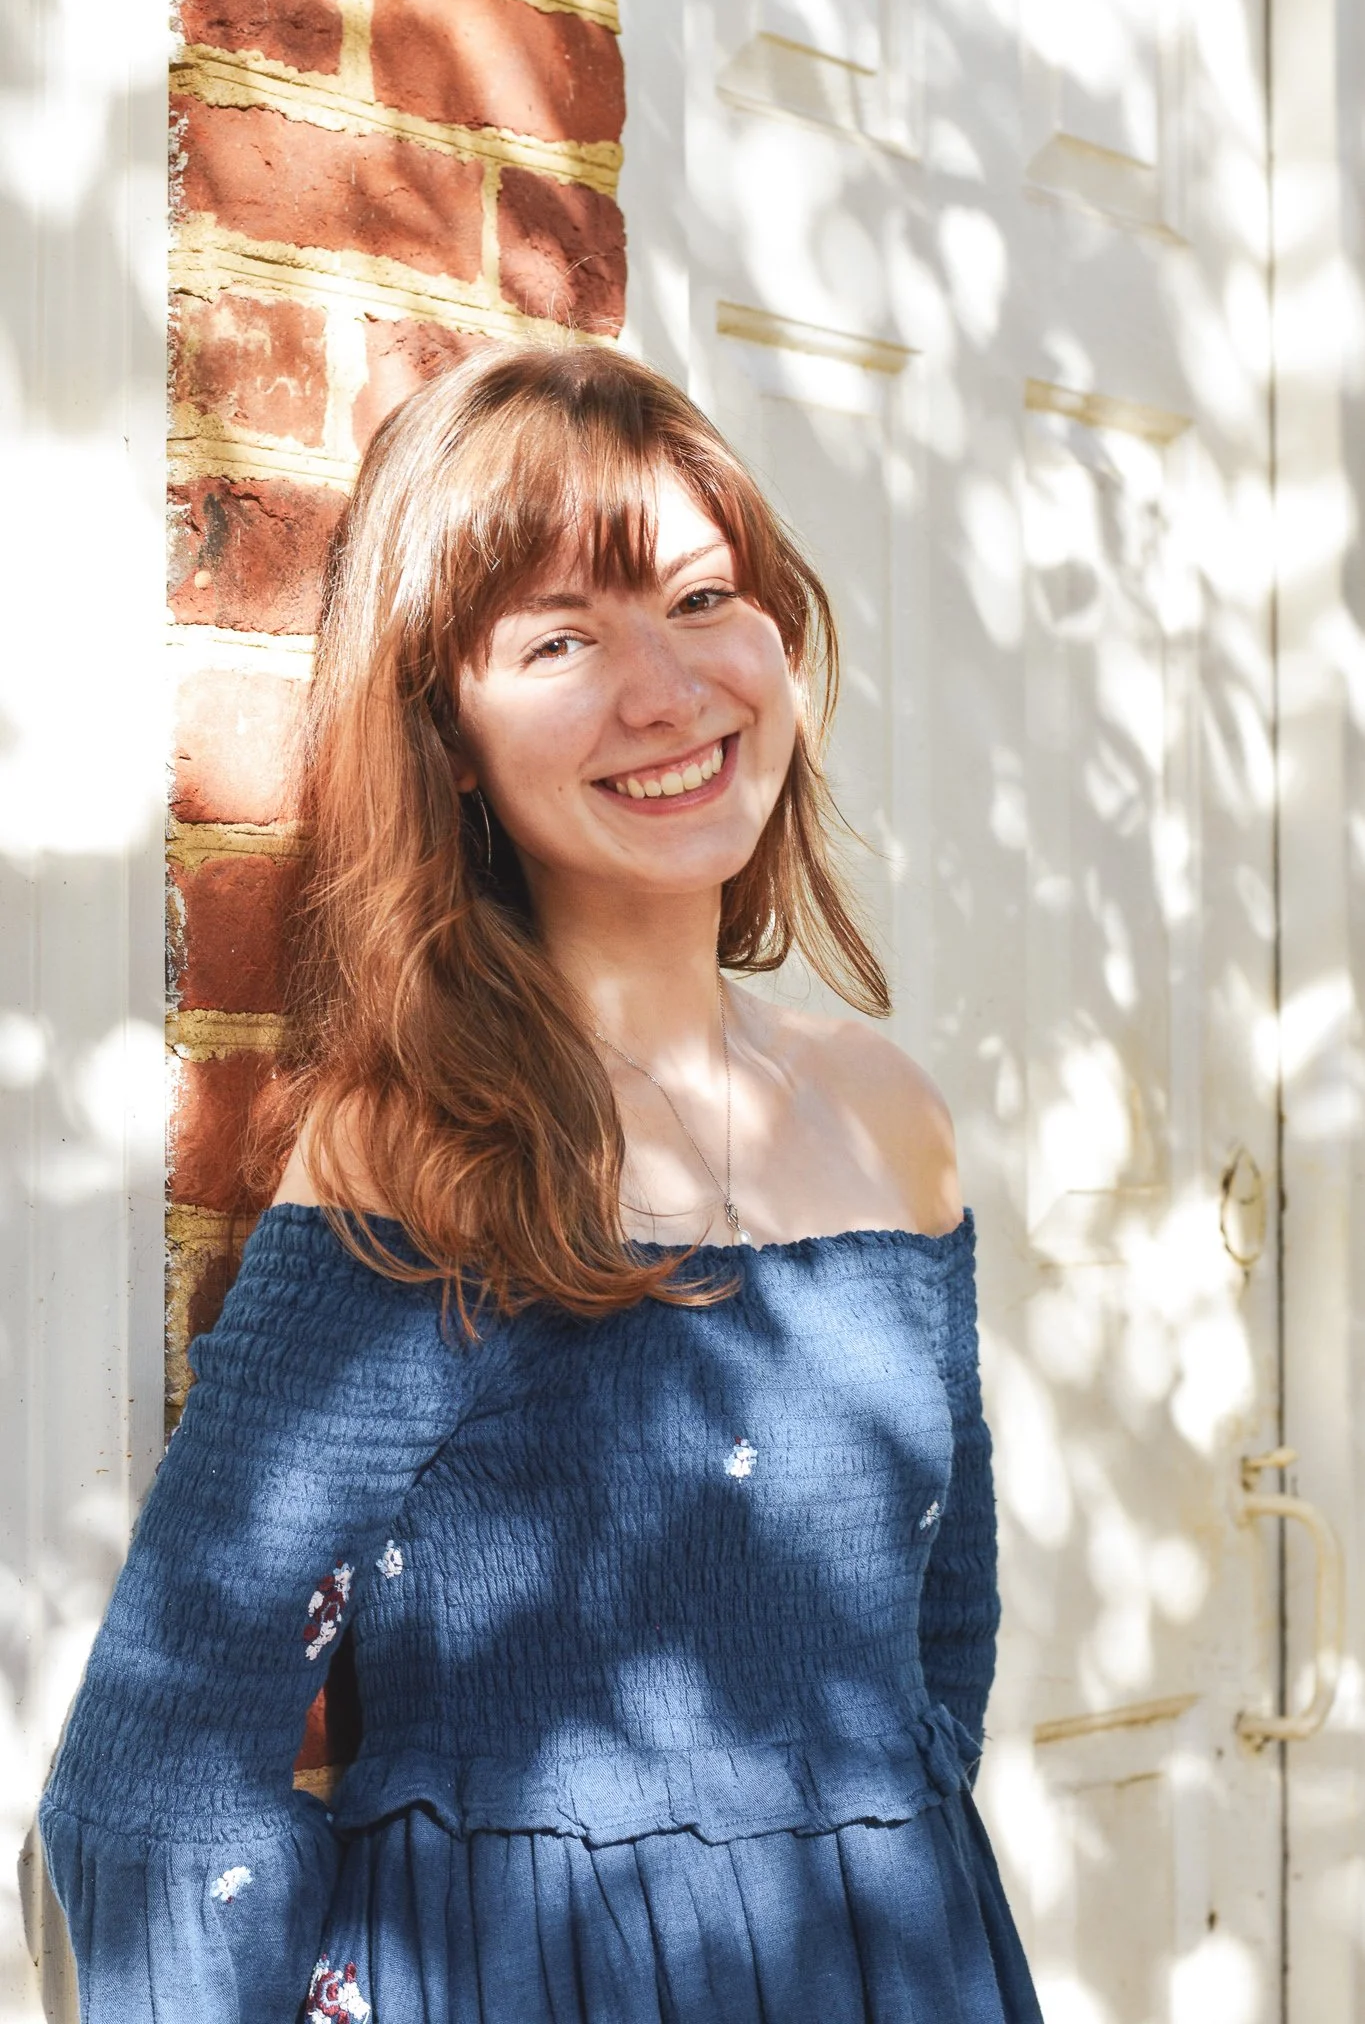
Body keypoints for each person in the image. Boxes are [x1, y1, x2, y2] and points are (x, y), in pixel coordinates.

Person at [39, 342, 1042, 2022]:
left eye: (703, 600)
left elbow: (934, 1653)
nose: (666, 690)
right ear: (446, 729)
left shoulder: (895, 1119)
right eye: (563, 639)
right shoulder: (420, 1153)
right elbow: (156, 1779)